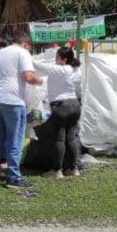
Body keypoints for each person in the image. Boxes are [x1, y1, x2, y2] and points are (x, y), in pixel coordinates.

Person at [0, 31, 43, 188]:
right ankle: (14, 177)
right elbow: (28, 76)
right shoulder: (22, 53)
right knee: (14, 139)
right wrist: (41, 82)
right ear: (26, 44)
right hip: (12, 100)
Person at [31, 46, 82, 178]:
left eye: (57, 57)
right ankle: (74, 169)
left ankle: (57, 170)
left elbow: (41, 67)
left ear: (63, 59)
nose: (55, 60)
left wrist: (25, 56)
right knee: (72, 138)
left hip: (61, 106)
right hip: (75, 105)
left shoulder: (61, 69)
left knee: (59, 139)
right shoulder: (76, 70)